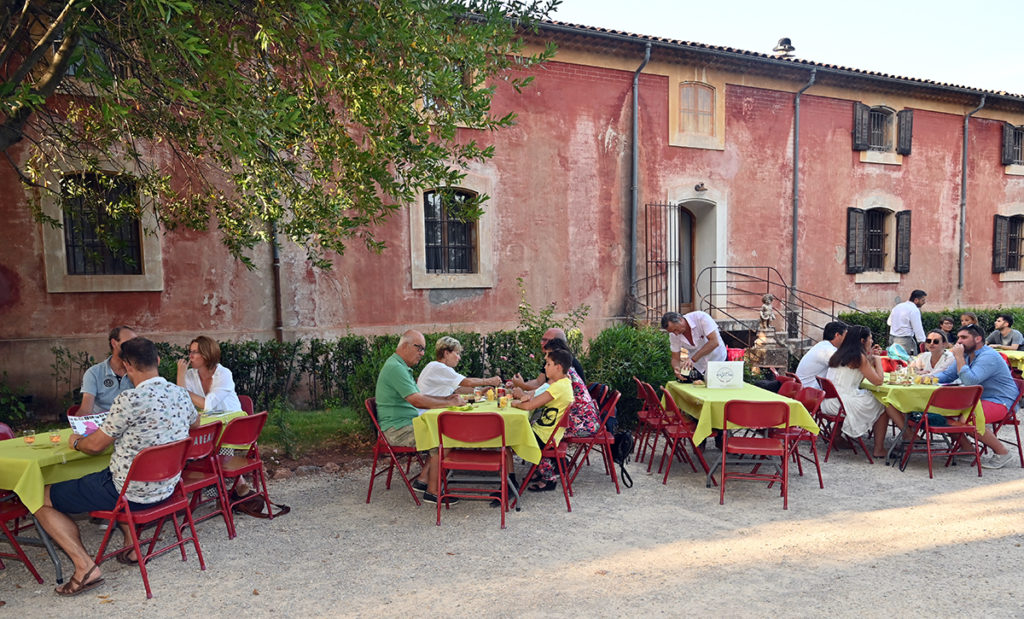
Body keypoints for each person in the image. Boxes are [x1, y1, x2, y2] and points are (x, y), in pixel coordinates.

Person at [33, 337, 198, 596]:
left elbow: (95, 446)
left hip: (127, 492)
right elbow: (194, 425)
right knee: (106, 474)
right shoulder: (180, 394)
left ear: (127, 365)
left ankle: (85, 567)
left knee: (38, 496)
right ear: (157, 360)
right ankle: (133, 548)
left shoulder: (128, 400)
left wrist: (76, 442)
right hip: (167, 489)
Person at [375, 330, 462, 504]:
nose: (422, 353)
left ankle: (423, 480)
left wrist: (446, 399)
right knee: (444, 437)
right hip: (397, 430)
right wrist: (449, 403)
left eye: (423, 349)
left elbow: (418, 396)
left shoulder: (399, 366)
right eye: (419, 348)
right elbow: (416, 400)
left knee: (444, 431)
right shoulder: (396, 368)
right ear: (405, 345)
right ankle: (433, 491)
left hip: (405, 423)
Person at [934, 324, 1020, 469]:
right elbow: (948, 375)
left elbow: (970, 381)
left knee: (968, 419)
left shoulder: (988, 356)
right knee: (942, 410)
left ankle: (1003, 452)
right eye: (959, 337)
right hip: (978, 400)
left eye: (964, 337)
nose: (959, 342)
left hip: (1001, 401)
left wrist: (959, 357)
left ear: (978, 338)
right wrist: (927, 378)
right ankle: (967, 448)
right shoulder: (967, 354)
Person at [821, 325, 905, 459]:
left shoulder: (840, 353)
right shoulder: (858, 357)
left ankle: (906, 434)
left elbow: (859, 372)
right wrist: (878, 360)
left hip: (829, 401)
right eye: (870, 338)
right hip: (843, 403)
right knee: (884, 402)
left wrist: (869, 358)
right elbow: (878, 381)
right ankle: (880, 448)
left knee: (877, 399)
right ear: (862, 341)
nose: (872, 341)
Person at [512, 348, 575, 492]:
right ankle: (542, 471)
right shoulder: (564, 383)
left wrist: (515, 403)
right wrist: (526, 397)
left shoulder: (558, 387)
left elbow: (529, 406)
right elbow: (535, 399)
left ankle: (548, 478)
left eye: (548, 364)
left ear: (558, 367)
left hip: (545, 436)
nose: (545, 367)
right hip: (549, 433)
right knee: (519, 430)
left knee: (510, 437)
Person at [78, 325, 137, 414]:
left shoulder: (139, 370)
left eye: (136, 342)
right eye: (129, 342)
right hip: (102, 424)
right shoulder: (94, 373)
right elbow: (85, 410)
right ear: (114, 343)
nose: (135, 347)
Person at [416, 336, 502, 397]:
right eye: (457, 353)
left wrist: (480, 391)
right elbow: (467, 382)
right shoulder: (438, 367)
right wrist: (490, 381)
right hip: (427, 413)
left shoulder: (437, 367)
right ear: (446, 353)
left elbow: (458, 390)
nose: (459, 358)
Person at [176, 335, 242, 412]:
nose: (190, 356)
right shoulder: (189, 375)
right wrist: (180, 375)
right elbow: (181, 404)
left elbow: (208, 405)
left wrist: (184, 392)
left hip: (232, 420)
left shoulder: (224, 374)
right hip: (209, 421)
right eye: (190, 352)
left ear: (206, 354)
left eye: (194, 352)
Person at [510, 327, 585, 391]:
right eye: (542, 340)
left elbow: (546, 392)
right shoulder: (552, 358)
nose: (541, 343)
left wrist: (522, 386)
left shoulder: (564, 362)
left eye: (545, 340)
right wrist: (516, 384)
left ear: (557, 343)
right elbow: (539, 382)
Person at [661, 311, 727, 378]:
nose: (676, 334)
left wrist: (693, 359)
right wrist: (676, 368)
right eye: (672, 332)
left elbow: (714, 342)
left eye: (676, 329)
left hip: (719, 361)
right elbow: (675, 357)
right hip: (699, 367)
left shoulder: (701, 317)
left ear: (680, 319)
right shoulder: (673, 335)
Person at [795, 321, 847, 388]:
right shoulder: (827, 350)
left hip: (804, 388)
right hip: (808, 392)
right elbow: (846, 366)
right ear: (837, 335)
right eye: (845, 336)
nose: (846, 340)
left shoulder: (822, 346)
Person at [886, 290, 927, 355]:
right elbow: (917, 328)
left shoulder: (898, 306)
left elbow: (889, 322)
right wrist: (923, 342)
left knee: (894, 360)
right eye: (923, 300)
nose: (924, 302)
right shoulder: (914, 310)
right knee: (907, 362)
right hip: (905, 341)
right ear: (916, 300)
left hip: (892, 338)